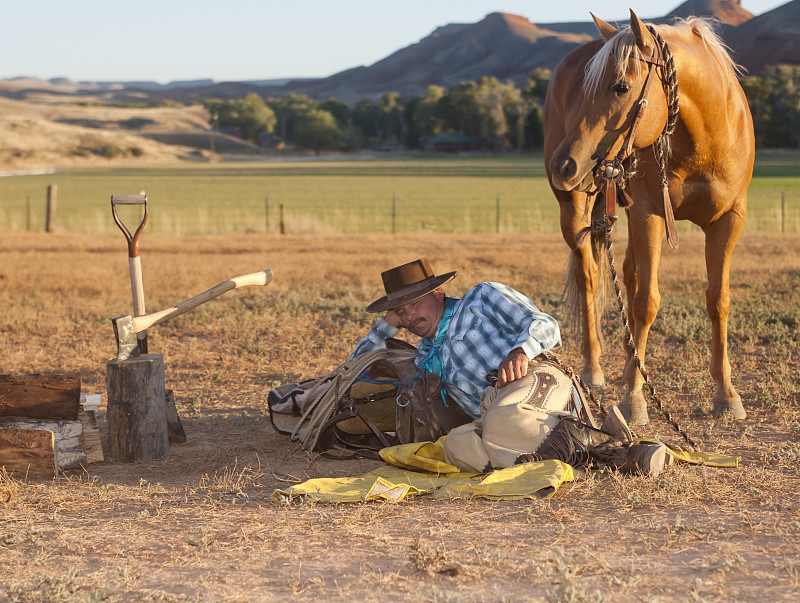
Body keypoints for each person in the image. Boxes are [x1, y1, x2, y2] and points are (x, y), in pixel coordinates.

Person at [351, 257, 562, 419]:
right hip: (495, 424)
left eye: (414, 304)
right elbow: (354, 370)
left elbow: (546, 324)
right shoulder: (422, 359)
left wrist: (520, 352)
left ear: (438, 292)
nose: (409, 316)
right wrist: (387, 324)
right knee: (456, 444)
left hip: (537, 394)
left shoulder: (481, 299)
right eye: (401, 312)